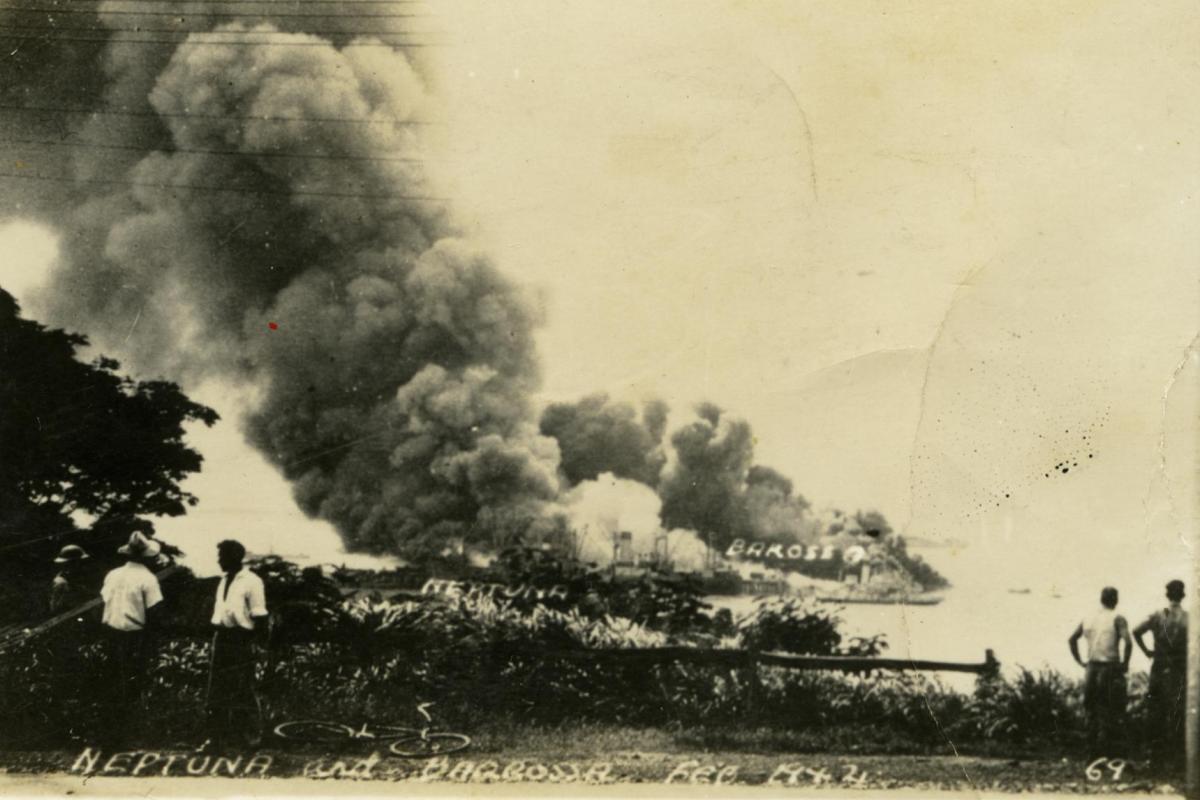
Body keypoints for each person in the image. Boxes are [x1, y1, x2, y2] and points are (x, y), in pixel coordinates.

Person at [98, 532, 165, 747]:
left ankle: (109, 737)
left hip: (110, 634)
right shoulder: (148, 579)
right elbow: (155, 613)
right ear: (147, 557)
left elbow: (103, 602)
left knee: (111, 685)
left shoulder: (112, 575)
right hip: (134, 637)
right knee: (132, 685)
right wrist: (152, 643)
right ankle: (124, 737)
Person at [201, 540, 269, 751]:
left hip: (242, 640)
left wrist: (259, 645)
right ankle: (215, 740)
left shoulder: (251, 581)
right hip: (222, 638)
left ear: (234, 557)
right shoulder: (224, 581)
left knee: (243, 688)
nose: (219, 560)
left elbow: (260, 615)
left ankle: (249, 738)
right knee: (216, 690)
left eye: (222, 556)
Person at [1069, 586, 1132, 758]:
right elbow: (1128, 642)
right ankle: (1109, 753)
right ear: (1115, 600)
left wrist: (1080, 661)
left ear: (1101, 599)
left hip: (1091, 667)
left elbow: (1072, 639)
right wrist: (1125, 664)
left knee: (1091, 710)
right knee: (1110, 710)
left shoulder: (1088, 618)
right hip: (1110, 667)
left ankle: (1092, 753)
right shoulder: (1118, 618)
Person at [1133, 580, 1188, 773]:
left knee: (1155, 711)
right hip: (1179, 668)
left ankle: (1155, 759)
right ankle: (1178, 761)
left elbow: (1136, 631)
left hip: (1159, 664)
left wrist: (1148, 651)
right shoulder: (1189, 618)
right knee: (1178, 712)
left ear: (1167, 594)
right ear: (1183, 595)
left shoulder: (1157, 615)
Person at [49, 544, 90, 614]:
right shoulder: (61, 583)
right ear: (72, 564)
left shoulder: (73, 578)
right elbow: (55, 609)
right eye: (79, 562)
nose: (82, 566)